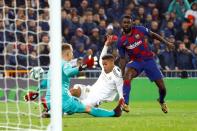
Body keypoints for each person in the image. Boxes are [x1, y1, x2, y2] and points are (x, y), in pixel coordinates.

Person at [24, 44, 124, 117]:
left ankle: (50, 111)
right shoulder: (65, 63)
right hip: (64, 99)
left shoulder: (52, 66)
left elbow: (45, 82)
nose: (73, 54)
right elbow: (68, 72)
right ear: (68, 53)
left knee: (62, 107)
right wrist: (84, 66)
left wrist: (36, 92)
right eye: (72, 52)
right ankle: (114, 113)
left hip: (50, 99)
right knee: (88, 108)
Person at [118, 15, 174, 113]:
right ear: (122, 24)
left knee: (162, 88)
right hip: (136, 62)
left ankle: (161, 101)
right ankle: (126, 103)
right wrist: (122, 72)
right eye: (124, 22)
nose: (126, 24)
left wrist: (167, 43)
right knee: (127, 75)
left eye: (128, 22)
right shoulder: (121, 41)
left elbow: (154, 35)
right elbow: (122, 58)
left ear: (132, 23)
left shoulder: (140, 29)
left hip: (149, 60)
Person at [70, 36, 124, 107]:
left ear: (112, 62)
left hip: (95, 99)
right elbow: (102, 58)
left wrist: (122, 103)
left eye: (105, 64)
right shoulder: (105, 66)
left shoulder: (117, 75)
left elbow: (121, 93)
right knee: (74, 89)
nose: (103, 66)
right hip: (90, 91)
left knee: (78, 105)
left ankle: (62, 111)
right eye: (103, 64)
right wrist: (106, 45)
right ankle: (60, 102)